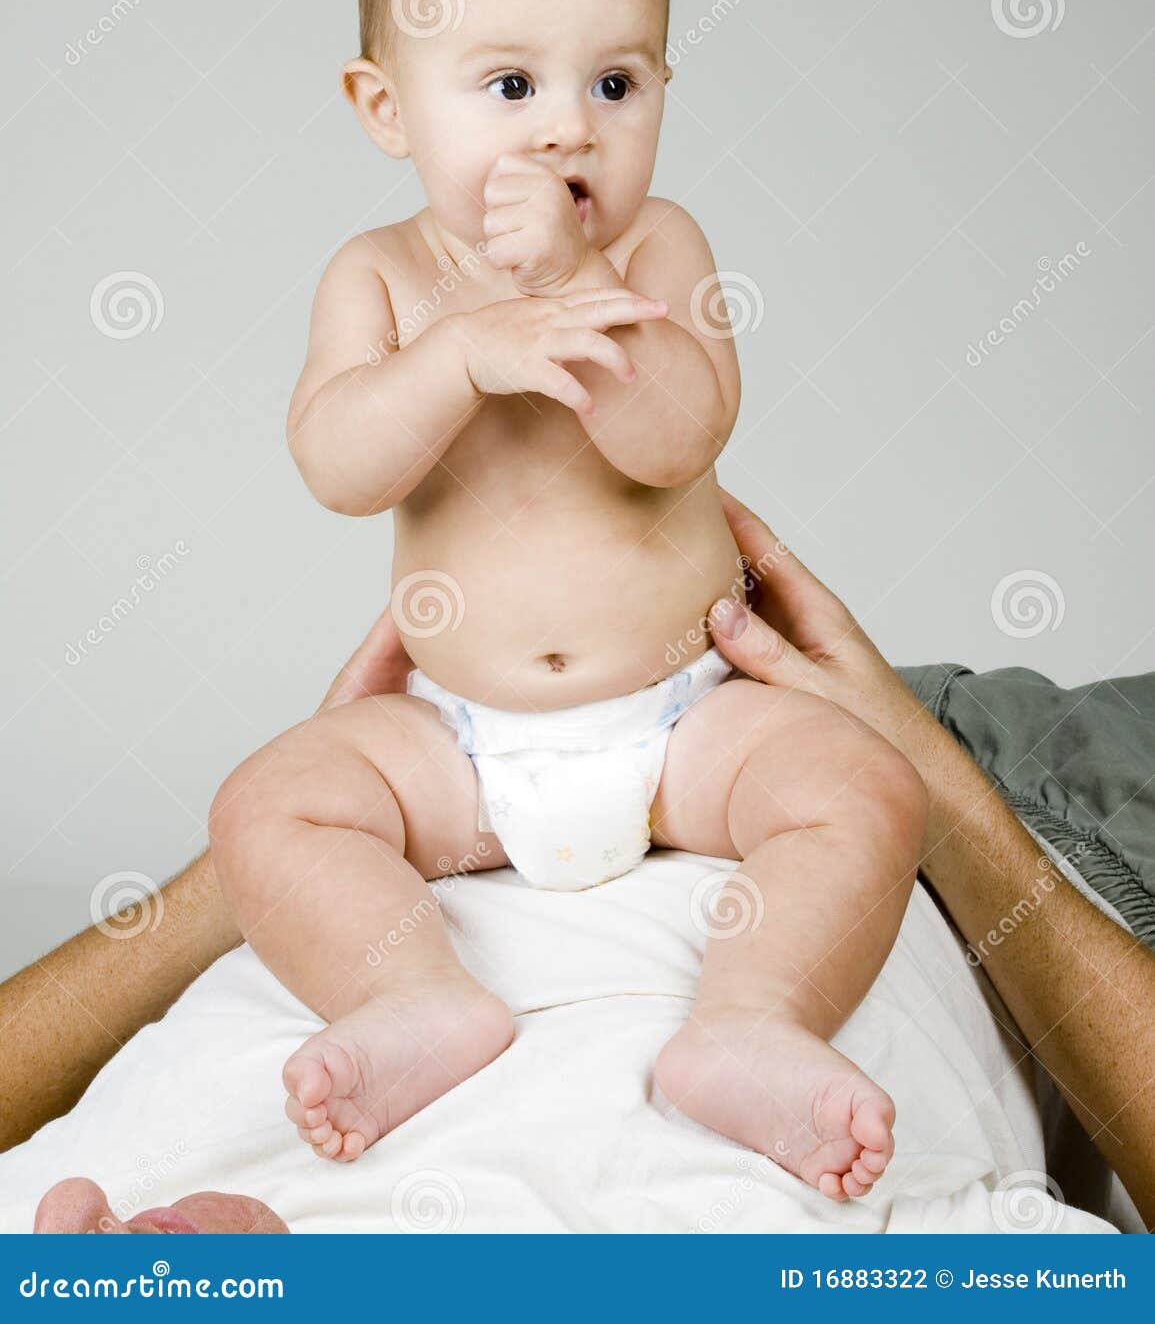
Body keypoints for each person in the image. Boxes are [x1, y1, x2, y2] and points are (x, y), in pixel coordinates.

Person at [208, 0, 925, 1195]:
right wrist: (456, 359)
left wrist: (581, 280)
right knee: (268, 806)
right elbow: (334, 460)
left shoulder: (657, 249)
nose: (564, 129)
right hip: (461, 747)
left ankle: (747, 1022)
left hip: (678, 724)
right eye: (509, 85)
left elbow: (680, 438)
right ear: (385, 104)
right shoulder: (377, 275)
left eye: (614, 82)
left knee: (861, 791)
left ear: (660, 86)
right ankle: (411, 994)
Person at [6, 494, 1154, 1228]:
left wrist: (268, 869)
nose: (554, 136)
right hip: (1013, 830)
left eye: (603, 90)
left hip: (620, 759)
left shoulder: (119, 1180)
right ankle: (755, 1015)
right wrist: (938, 794)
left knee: (267, 808)